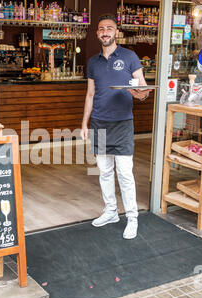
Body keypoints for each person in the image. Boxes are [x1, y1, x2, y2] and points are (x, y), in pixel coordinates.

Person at [80, 13, 151, 240]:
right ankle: (111, 211)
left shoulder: (130, 57)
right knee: (105, 172)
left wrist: (137, 93)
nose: (105, 32)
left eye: (109, 28)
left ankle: (132, 218)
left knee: (124, 173)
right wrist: (84, 123)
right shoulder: (93, 62)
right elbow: (90, 94)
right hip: (100, 123)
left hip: (122, 123)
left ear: (116, 32)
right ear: (97, 33)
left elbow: (144, 91)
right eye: (101, 29)